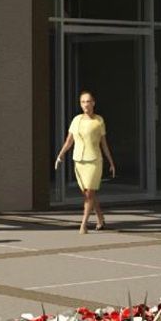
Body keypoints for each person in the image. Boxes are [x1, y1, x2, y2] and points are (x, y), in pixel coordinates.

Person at [54, 90, 115, 234]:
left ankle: (83, 225)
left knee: (89, 195)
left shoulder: (99, 120)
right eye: (83, 102)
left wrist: (111, 162)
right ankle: (100, 217)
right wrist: (60, 155)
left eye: (88, 101)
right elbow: (69, 140)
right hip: (79, 161)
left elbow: (103, 143)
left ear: (93, 103)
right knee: (88, 194)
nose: (85, 104)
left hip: (94, 160)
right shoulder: (76, 120)